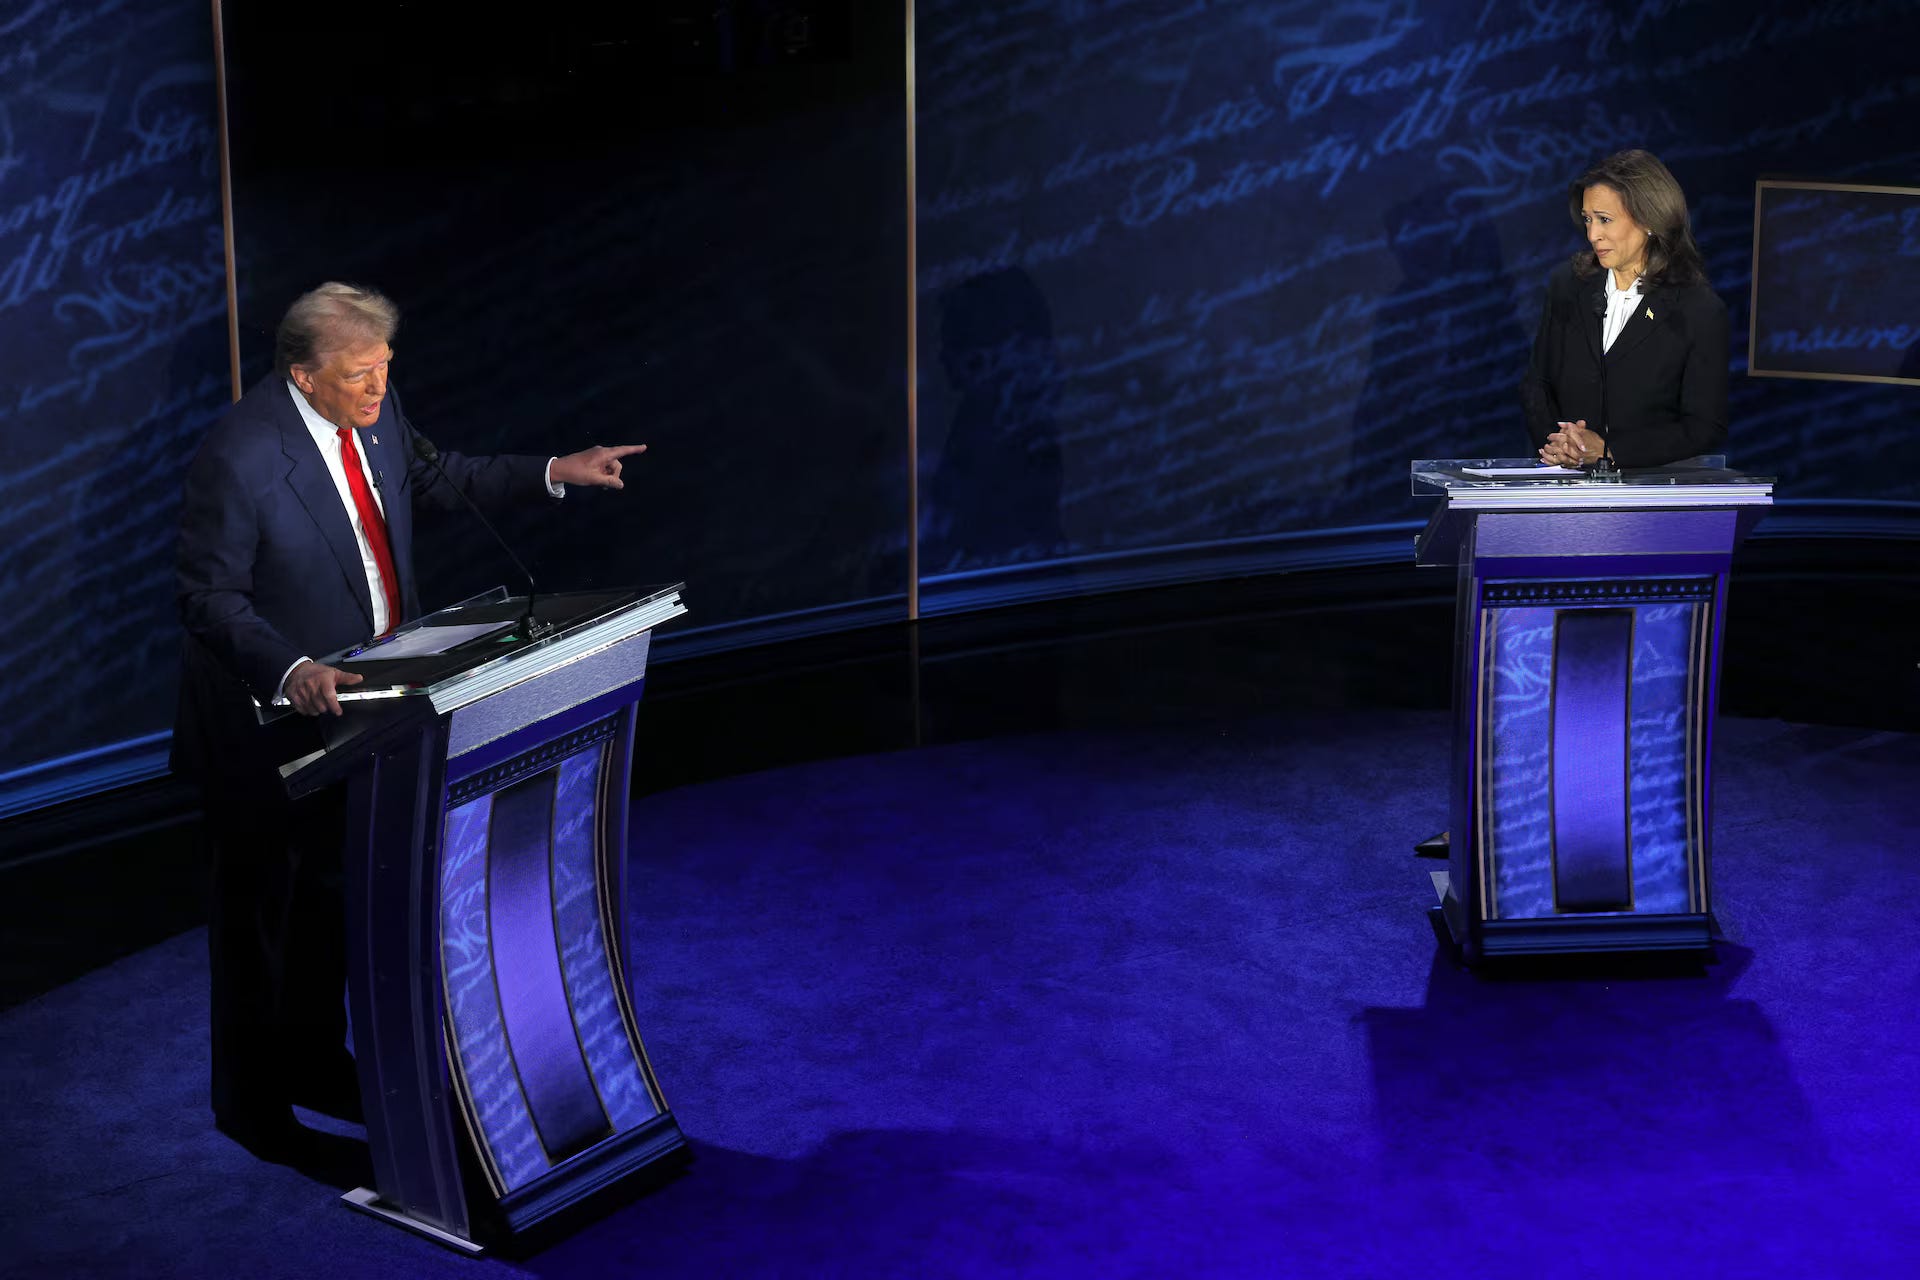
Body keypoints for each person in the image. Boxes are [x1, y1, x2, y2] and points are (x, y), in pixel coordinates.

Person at [171, 282, 644, 1159]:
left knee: (329, 908)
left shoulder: (379, 409)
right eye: (360, 375)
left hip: (373, 710)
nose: (378, 390)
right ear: (304, 377)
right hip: (265, 732)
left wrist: (552, 471)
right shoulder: (238, 456)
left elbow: (436, 477)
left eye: (386, 369)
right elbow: (208, 598)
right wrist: (291, 667)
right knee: (259, 926)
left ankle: (315, 1061)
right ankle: (250, 1109)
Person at [1522, 150, 1728, 469]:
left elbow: (1703, 427)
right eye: (1588, 220)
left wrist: (1610, 451)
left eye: (1605, 220)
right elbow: (1537, 385)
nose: (1592, 235)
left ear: (1648, 219)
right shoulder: (1566, 285)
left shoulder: (1697, 309)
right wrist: (1559, 447)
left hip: (1650, 495)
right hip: (1564, 481)